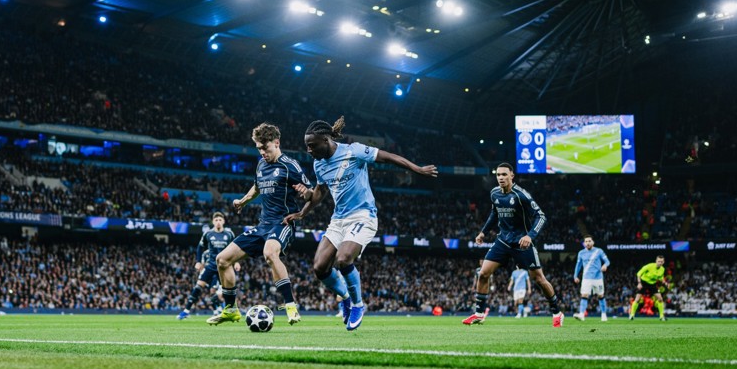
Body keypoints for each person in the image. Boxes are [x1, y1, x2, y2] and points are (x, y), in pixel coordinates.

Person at [286, 117, 437, 331]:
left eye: (312, 145)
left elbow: (389, 157)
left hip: (363, 216)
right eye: (307, 146)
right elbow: (320, 192)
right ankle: (346, 297)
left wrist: (417, 170)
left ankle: (358, 305)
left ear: (326, 140)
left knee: (343, 258)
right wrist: (302, 212)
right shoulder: (319, 163)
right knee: (319, 267)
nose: (309, 150)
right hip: (338, 220)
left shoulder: (354, 151)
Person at [207, 123, 312, 326]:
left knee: (270, 252)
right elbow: (257, 185)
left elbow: (311, 192)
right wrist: (243, 201)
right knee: (222, 259)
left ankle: (291, 307)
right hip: (262, 225)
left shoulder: (290, 165)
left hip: (282, 223)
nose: (263, 152)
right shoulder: (261, 164)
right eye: (259, 149)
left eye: (266, 148)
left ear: (276, 143)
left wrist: (305, 195)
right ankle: (230, 310)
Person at [463, 163, 565, 328]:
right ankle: (479, 314)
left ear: (512, 176)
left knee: (539, 279)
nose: (501, 178)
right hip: (503, 240)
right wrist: (483, 232)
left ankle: (557, 312)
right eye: (498, 175)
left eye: (504, 174)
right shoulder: (494, 193)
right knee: (483, 274)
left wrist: (529, 236)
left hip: (521, 243)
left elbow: (541, 216)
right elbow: (494, 213)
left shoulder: (521, 195)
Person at [177, 212, 238, 320]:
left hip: (223, 267)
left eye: (220, 220)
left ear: (223, 221)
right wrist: (198, 261)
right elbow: (200, 247)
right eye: (216, 220)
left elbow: (235, 248)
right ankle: (186, 311)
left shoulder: (229, 234)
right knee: (198, 287)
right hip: (210, 266)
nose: (218, 222)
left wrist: (236, 262)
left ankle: (228, 311)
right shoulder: (208, 234)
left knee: (223, 291)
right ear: (213, 222)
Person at [573, 235, 610, 321]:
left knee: (600, 296)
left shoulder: (599, 251)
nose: (588, 243)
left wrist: (605, 265)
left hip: (598, 278)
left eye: (589, 241)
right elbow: (578, 266)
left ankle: (604, 314)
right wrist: (575, 276)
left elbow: (607, 261)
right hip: (586, 278)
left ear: (593, 242)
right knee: (584, 295)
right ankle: (582, 314)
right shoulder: (581, 253)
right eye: (586, 241)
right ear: (584, 243)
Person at [630, 255, 667, 321]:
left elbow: (660, 278)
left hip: (652, 284)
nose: (660, 263)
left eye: (661, 262)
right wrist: (639, 283)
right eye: (658, 261)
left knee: (660, 299)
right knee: (637, 299)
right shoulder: (649, 266)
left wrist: (665, 283)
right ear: (656, 261)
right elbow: (639, 273)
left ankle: (661, 316)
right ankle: (632, 315)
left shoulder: (662, 269)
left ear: (663, 262)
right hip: (643, 282)